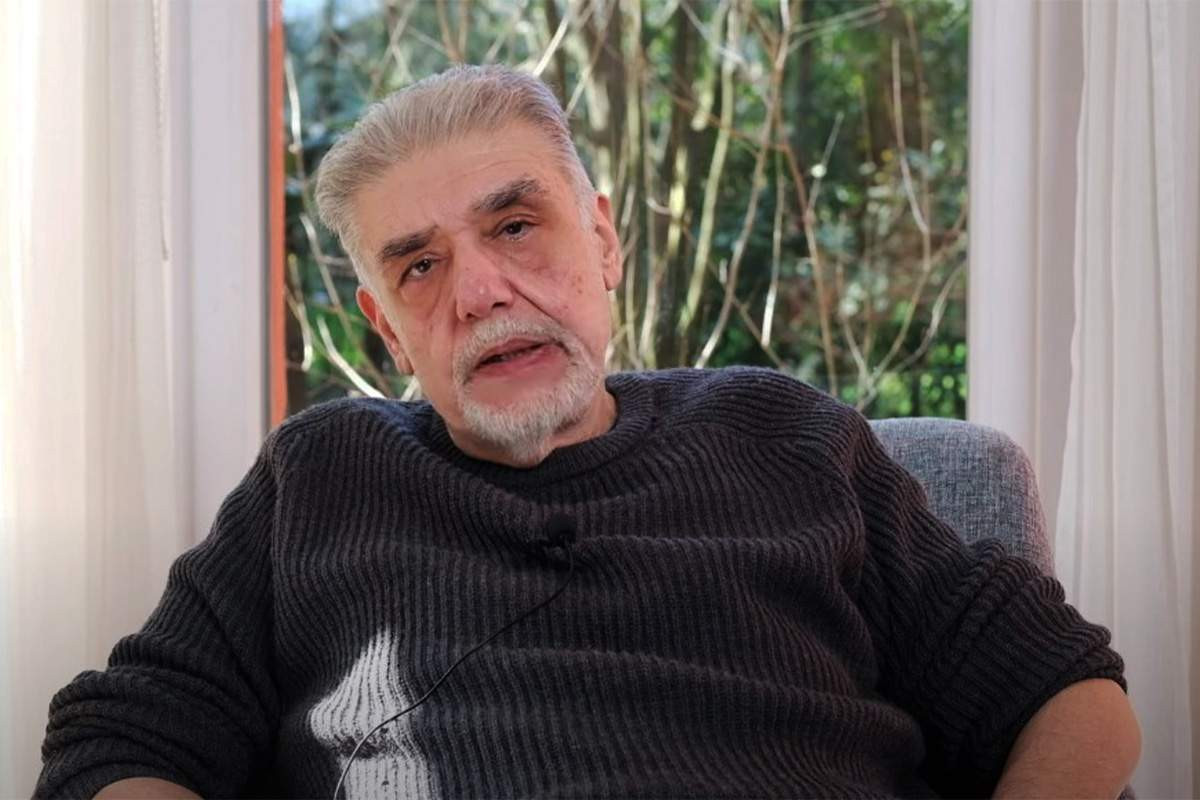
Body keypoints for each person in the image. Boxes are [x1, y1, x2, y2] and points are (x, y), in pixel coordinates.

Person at [36, 65, 1139, 800]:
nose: (480, 290)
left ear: (603, 240)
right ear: (385, 327)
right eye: (420, 266)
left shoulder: (788, 435)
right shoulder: (319, 477)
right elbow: (118, 744)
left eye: (516, 225)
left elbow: (1066, 689)